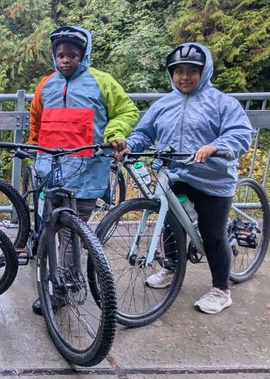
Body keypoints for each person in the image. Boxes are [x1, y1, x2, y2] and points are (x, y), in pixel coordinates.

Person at [120, 42, 253, 315]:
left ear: (204, 73)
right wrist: (129, 144)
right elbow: (144, 132)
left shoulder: (222, 103)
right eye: (178, 71)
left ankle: (220, 290)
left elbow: (240, 133)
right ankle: (171, 268)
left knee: (213, 234)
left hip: (212, 179)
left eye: (192, 70)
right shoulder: (163, 104)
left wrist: (215, 147)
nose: (184, 77)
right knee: (171, 225)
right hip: (176, 174)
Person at [27, 25, 139, 315]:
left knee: (71, 232)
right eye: (61, 55)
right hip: (51, 170)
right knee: (52, 229)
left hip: (88, 171)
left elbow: (126, 111)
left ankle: (63, 288)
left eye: (72, 55)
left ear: (84, 54)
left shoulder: (102, 82)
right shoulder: (45, 85)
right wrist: (33, 147)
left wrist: (115, 132)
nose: (65, 60)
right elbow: (36, 121)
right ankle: (66, 281)